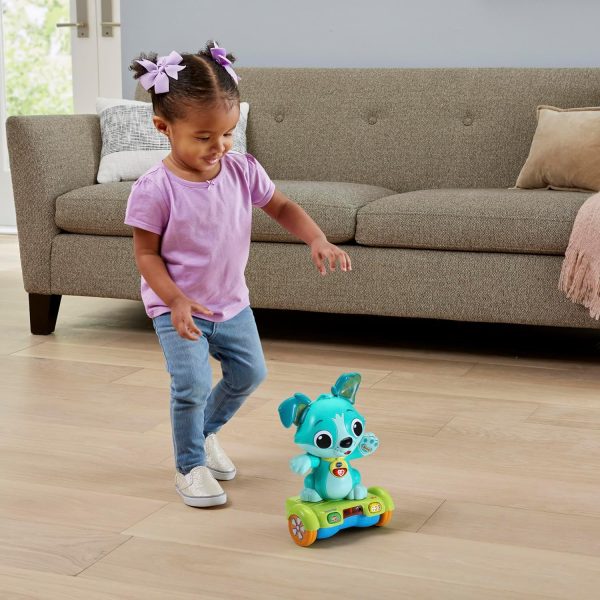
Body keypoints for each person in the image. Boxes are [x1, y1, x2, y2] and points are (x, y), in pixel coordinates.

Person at [125, 42, 351, 508]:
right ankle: (189, 466)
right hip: (178, 308)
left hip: (231, 303)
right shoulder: (154, 189)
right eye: (204, 137)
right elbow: (146, 255)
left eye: (228, 133)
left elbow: (281, 206)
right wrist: (175, 299)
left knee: (250, 373)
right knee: (191, 385)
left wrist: (316, 238)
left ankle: (205, 433)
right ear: (164, 127)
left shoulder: (241, 170)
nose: (219, 146)